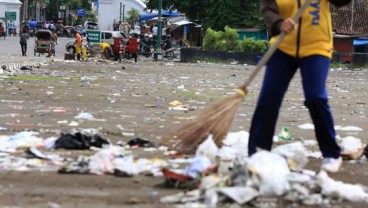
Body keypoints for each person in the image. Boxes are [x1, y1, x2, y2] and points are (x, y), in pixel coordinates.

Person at [248, 0, 352, 173]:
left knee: (315, 97)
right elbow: (268, 10)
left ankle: (331, 153)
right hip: (282, 47)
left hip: (316, 47)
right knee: (268, 99)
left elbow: (342, 2)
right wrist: (280, 23)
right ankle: (257, 153)